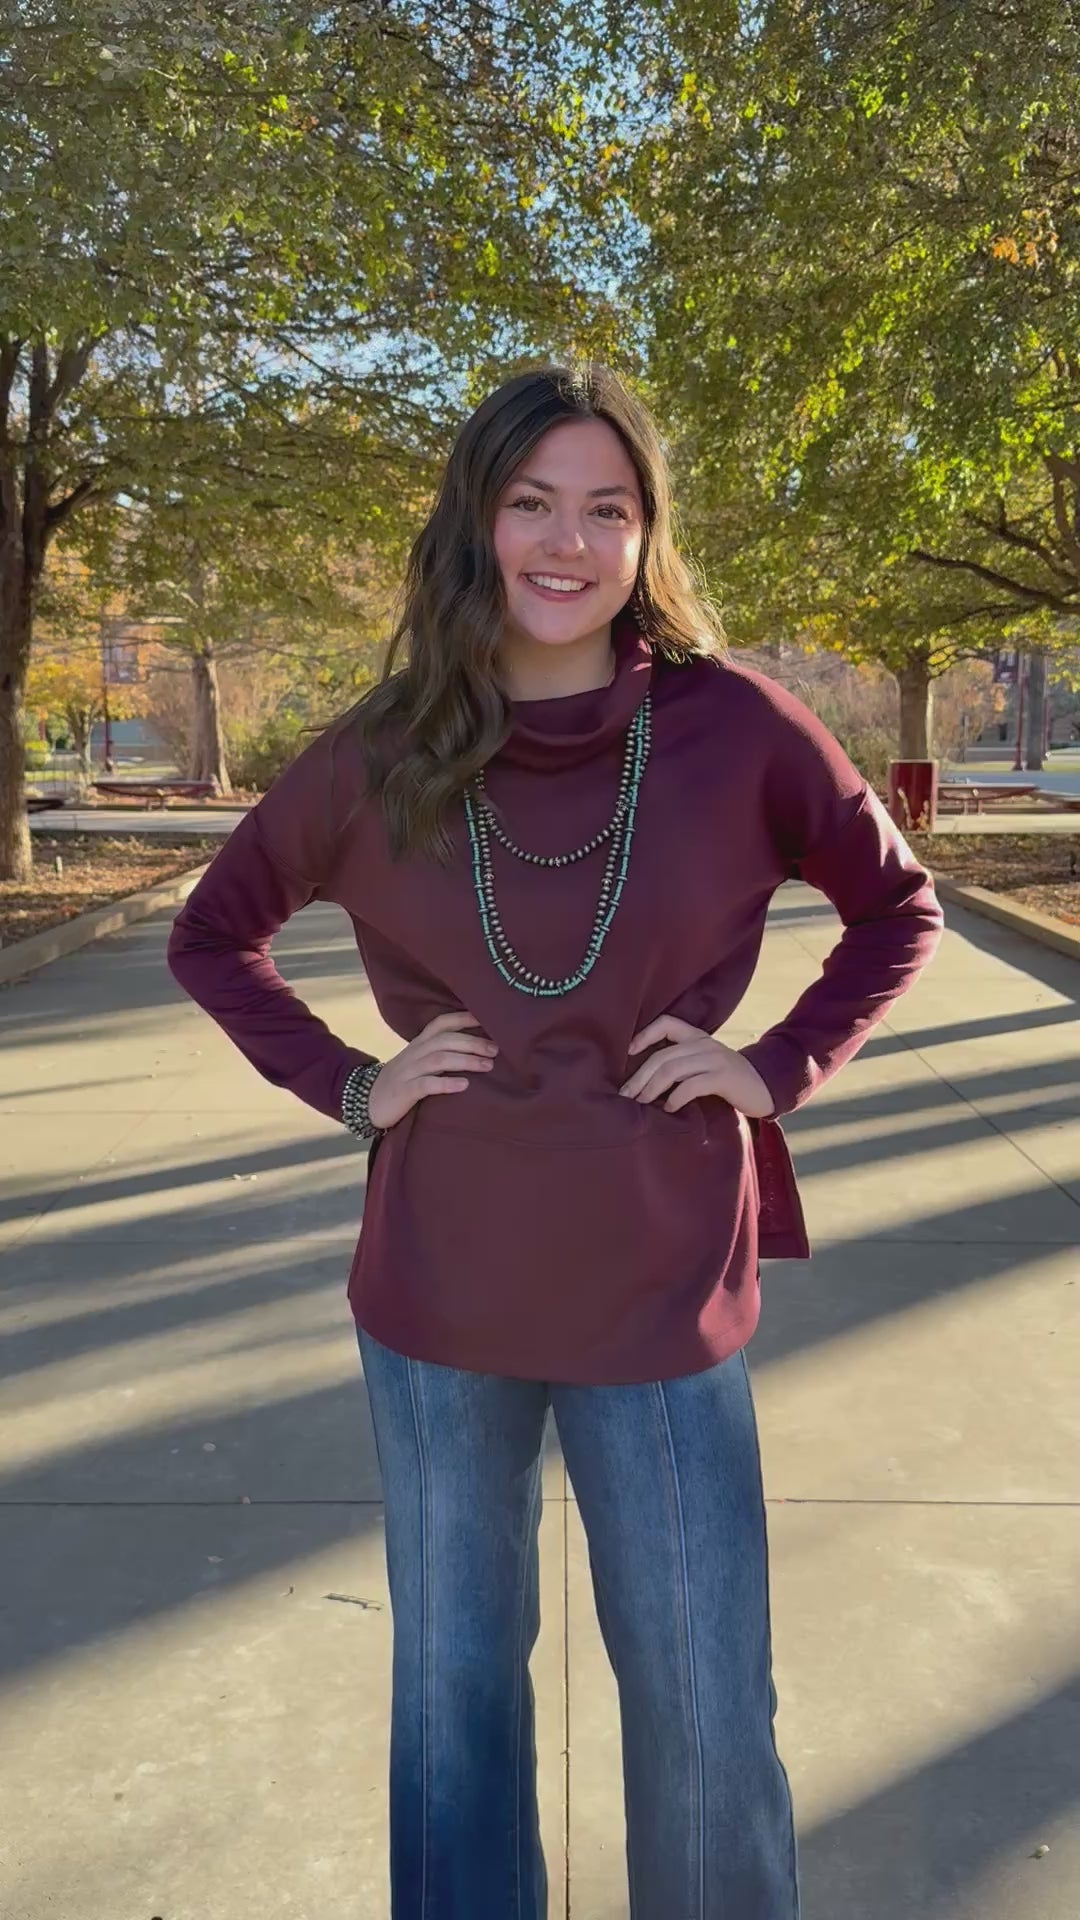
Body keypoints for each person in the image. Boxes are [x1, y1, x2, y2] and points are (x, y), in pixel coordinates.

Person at [167, 362, 944, 1920]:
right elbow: (216, 935)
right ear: (479, 522)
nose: (566, 543)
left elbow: (896, 906)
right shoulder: (383, 747)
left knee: (705, 1699)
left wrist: (776, 1065)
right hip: (442, 1289)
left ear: (648, 535)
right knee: (455, 1693)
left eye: (608, 507)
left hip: (661, 1284)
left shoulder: (738, 728)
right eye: (532, 503)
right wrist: (353, 1085)